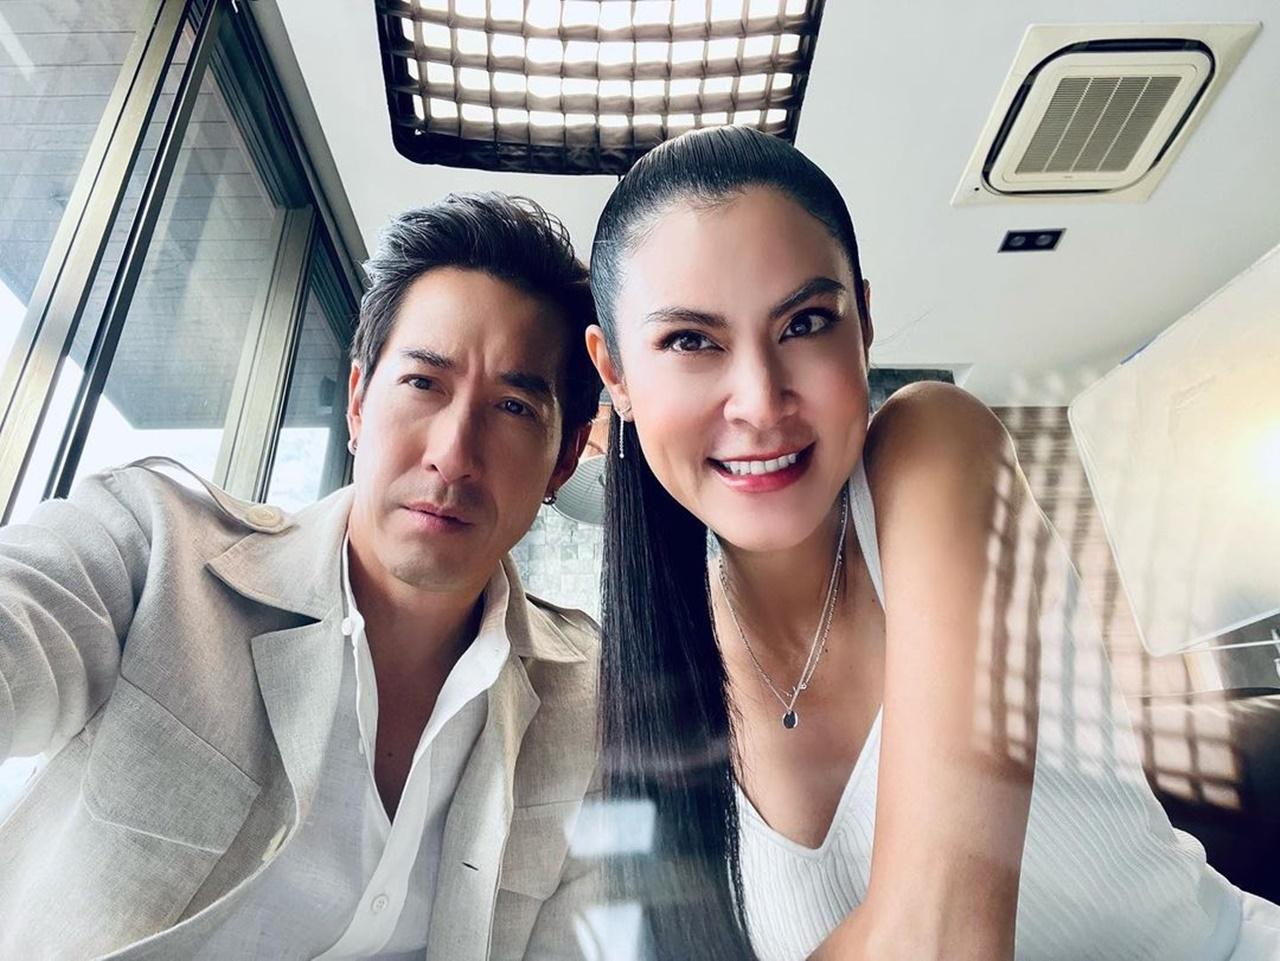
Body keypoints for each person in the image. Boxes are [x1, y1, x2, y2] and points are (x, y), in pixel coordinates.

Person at [584, 125, 1280, 961]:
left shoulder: (933, 448)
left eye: (805, 322)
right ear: (615, 373)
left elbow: (943, 936)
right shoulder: (652, 678)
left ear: (864, 322)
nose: (761, 401)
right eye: (691, 341)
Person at [0, 193, 603, 960]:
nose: (454, 454)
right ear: (357, 403)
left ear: (565, 457)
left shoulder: (590, 697)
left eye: (513, 406)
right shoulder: (154, 548)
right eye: (424, 383)